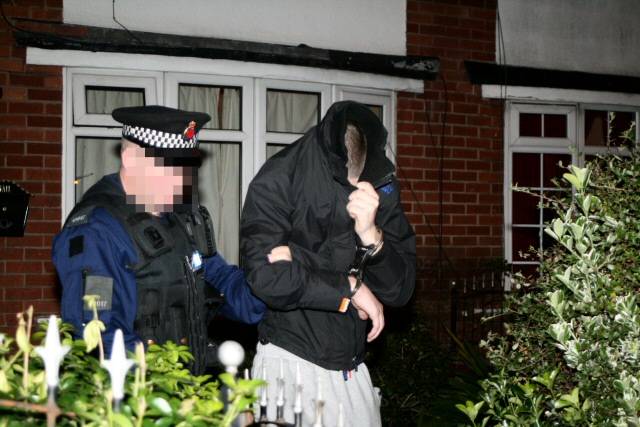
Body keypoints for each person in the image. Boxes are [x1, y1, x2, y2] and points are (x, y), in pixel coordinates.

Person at [53, 105, 265, 374]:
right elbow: (98, 335)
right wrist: (161, 392)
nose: (182, 182)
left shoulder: (180, 220)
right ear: (131, 159)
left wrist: (270, 282)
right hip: (134, 402)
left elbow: (222, 283)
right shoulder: (97, 230)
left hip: (184, 390)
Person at [241, 100, 416, 425]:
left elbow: (401, 290)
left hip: (352, 364)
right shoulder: (280, 178)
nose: (356, 187)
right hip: (291, 361)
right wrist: (348, 289)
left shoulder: (379, 180)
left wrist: (372, 237)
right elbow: (266, 277)